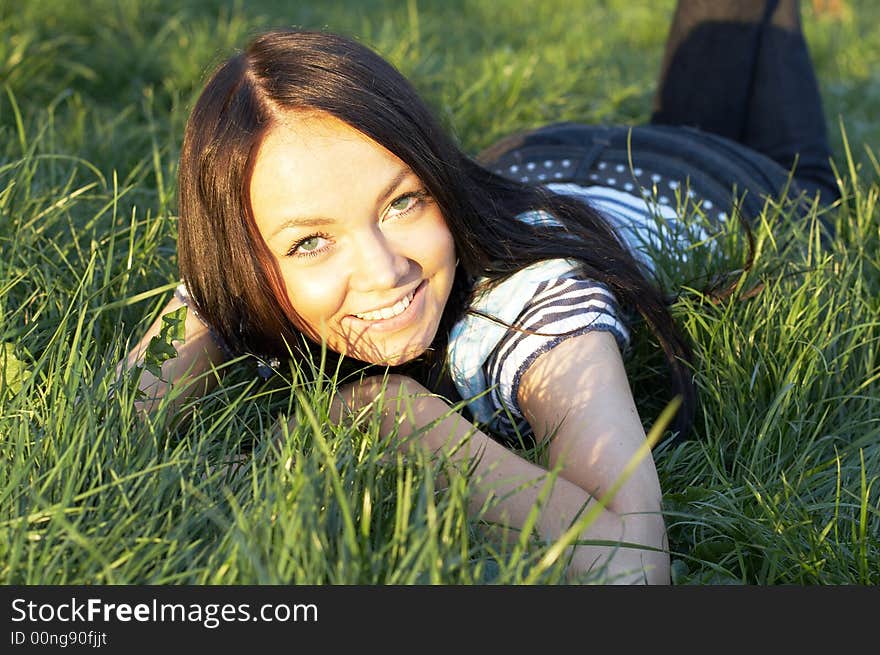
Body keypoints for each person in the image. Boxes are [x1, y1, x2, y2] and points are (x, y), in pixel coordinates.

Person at [117, 0, 839, 584]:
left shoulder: (528, 300)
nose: (382, 271)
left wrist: (397, 413)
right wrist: (204, 316)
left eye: (404, 201)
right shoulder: (246, 274)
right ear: (245, 257)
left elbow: (633, 559)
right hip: (546, 157)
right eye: (311, 241)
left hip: (716, 185)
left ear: (435, 174)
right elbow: (115, 424)